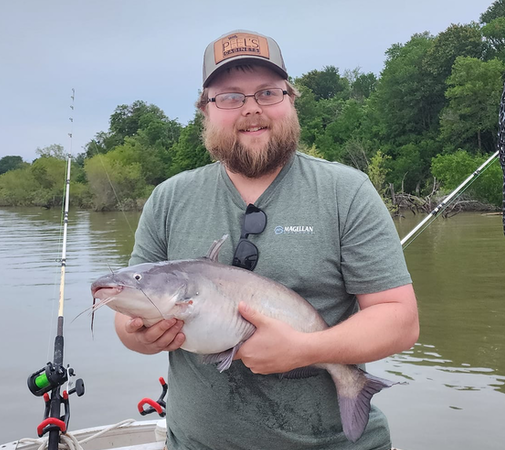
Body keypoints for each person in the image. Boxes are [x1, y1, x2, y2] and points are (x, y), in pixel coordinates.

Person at [114, 29, 419, 450]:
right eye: (230, 97)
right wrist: (138, 335)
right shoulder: (169, 198)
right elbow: (127, 318)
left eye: (267, 93)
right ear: (205, 109)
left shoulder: (346, 192)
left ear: (291, 100)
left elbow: (400, 321)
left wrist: (306, 349)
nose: (251, 110)